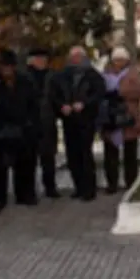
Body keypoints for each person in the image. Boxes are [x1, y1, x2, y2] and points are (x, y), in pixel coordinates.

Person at [51, 46, 105, 201]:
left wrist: (84, 104)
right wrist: (62, 106)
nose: (75, 59)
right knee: (72, 154)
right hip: (69, 119)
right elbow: (55, 94)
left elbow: (99, 93)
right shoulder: (62, 75)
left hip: (86, 119)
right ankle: (78, 187)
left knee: (85, 154)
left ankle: (89, 188)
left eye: (78, 56)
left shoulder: (92, 75)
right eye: (73, 56)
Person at [0, 50, 39, 208]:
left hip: (23, 127)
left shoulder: (25, 81)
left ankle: (25, 194)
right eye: (4, 67)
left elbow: (33, 103)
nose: (6, 70)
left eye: (9, 67)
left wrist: (31, 122)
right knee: (1, 167)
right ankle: (1, 197)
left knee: (25, 164)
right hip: (1, 129)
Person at [101, 46, 140, 193]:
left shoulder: (133, 73)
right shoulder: (105, 73)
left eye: (121, 60)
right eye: (116, 60)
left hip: (129, 118)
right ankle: (112, 183)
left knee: (130, 154)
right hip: (110, 118)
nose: (118, 62)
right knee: (110, 153)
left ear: (126, 60)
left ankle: (131, 182)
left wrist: (121, 92)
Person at [26, 48, 60, 198]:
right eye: (39, 59)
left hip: (48, 120)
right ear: (31, 60)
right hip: (29, 122)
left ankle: (50, 188)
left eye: (44, 59)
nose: (42, 62)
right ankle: (30, 191)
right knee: (29, 159)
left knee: (48, 157)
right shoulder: (24, 76)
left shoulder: (52, 76)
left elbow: (58, 96)